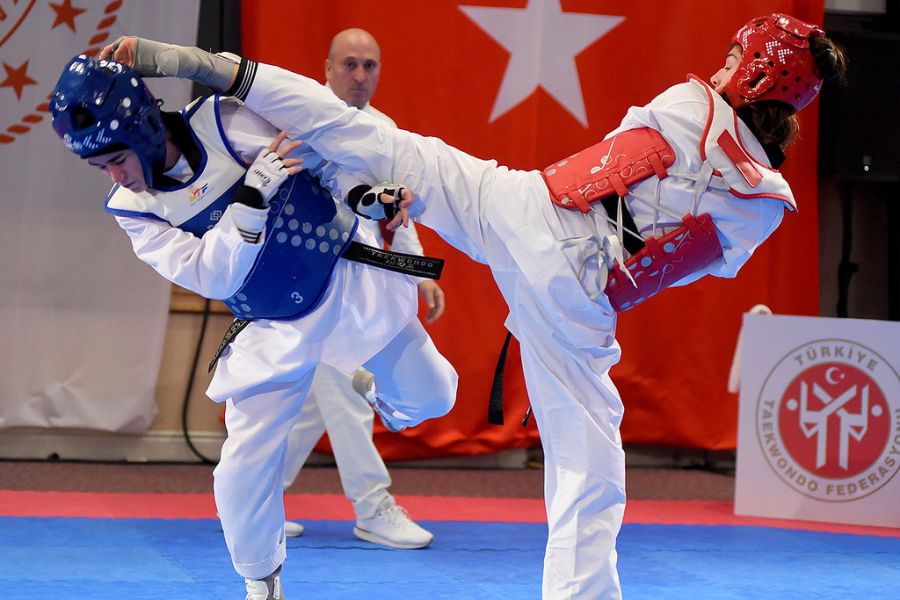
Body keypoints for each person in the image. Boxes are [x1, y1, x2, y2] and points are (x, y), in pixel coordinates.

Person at [100, 12, 846, 599]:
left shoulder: (690, 104)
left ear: (757, 72)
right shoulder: (765, 202)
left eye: (735, 58)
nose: (721, 66)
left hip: (529, 209)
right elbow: (667, 269)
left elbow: (637, 172)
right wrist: (582, 295)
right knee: (588, 458)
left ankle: (202, 65)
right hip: (573, 282)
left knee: (363, 132)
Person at [48, 52, 458, 600]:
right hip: (271, 324)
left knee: (436, 398)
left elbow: (325, 161)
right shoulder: (134, 210)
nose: (117, 176)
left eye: (117, 158)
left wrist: (367, 198)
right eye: (101, 167)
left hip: (347, 280)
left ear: (144, 129)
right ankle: (261, 582)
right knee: (240, 468)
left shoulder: (224, 121)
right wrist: (250, 198)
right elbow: (212, 275)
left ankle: (367, 384)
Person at [281, 28, 445, 550]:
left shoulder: (383, 131)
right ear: (327, 69)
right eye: (349, 64)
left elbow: (399, 210)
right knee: (348, 388)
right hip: (310, 283)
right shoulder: (300, 118)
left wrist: (418, 272)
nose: (359, 75)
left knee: (314, 402)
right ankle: (372, 507)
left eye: (369, 66)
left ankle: (252, 497)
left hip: (362, 283)